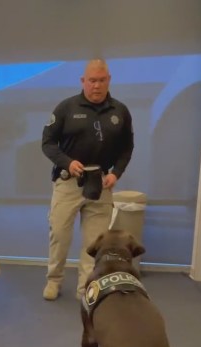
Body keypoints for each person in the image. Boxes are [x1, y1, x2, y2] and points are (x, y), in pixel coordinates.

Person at [41, 59, 134, 301]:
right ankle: (54, 280)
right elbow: (48, 143)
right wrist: (67, 162)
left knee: (95, 242)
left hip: (101, 183)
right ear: (83, 81)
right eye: (92, 80)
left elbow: (127, 148)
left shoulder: (120, 111)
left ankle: (85, 288)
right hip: (69, 181)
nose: (97, 85)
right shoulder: (66, 108)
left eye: (101, 80)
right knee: (59, 234)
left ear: (109, 80)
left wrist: (116, 173)